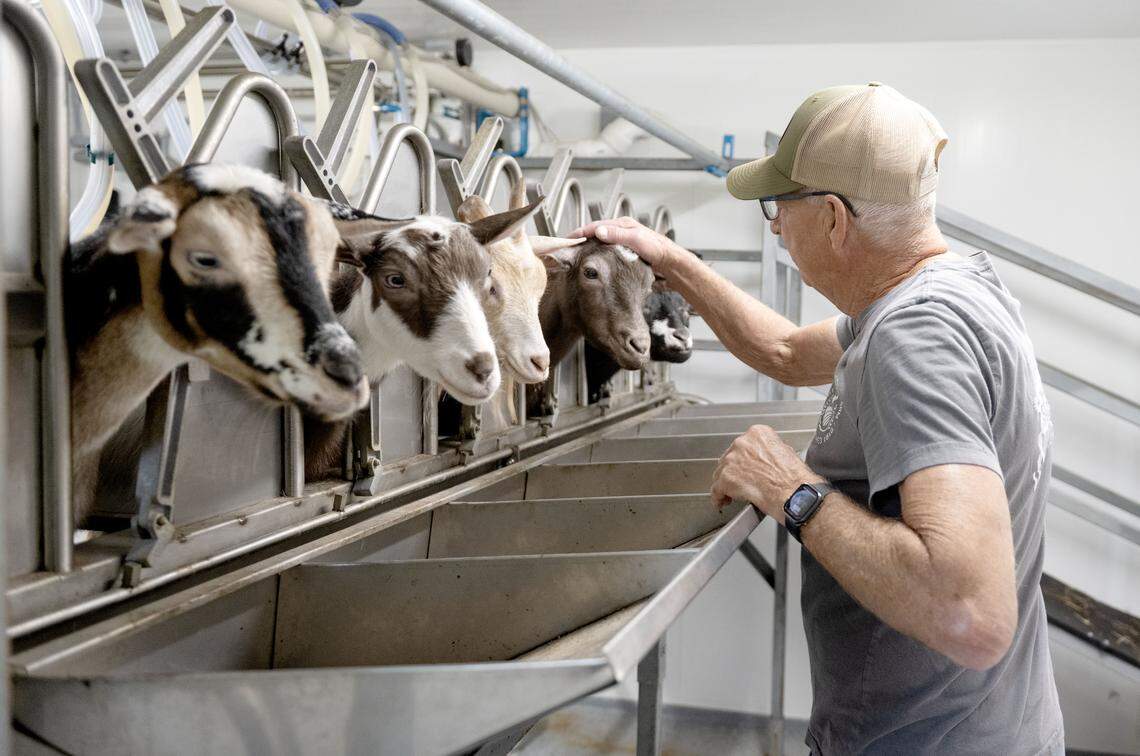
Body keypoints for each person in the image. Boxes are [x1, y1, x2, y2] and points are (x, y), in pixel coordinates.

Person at [573, 82, 1064, 755]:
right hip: (992, 729)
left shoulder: (915, 337)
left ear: (834, 218)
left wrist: (790, 490)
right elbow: (783, 351)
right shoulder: (947, 292)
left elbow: (971, 616)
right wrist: (673, 264)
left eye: (778, 207)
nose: (774, 227)